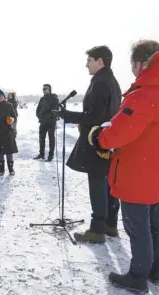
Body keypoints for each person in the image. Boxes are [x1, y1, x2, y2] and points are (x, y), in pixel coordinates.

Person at [88, 40, 159, 294]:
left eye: (133, 65)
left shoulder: (146, 93)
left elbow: (120, 132)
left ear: (140, 63)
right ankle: (156, 269)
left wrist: (98, 137)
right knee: (155, 219)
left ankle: (138, 276)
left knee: (136, 224)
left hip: (137, 173)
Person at [53, 46, 122, 243]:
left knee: (98, 184)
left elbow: (95, 116)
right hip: (107, 140)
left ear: (100, 61)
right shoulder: (112, 81)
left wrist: (68, 116)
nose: (86, 64)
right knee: (108, 184)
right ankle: (110, 224)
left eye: (90, 60)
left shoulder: (100, 82)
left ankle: (97, 229)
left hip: (98, 140)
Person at [34, 84, 60, 161]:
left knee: (51, 139)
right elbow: (38, 109)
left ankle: (50, 155)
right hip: (43, 122)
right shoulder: (42, 99)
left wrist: (49, 116)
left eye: (45, 89)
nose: (44, 90)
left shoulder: (54, 98)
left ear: (49, 89)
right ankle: (41, 154)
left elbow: (56, 110)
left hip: (51, 122)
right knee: (41, 138)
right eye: (43, 89)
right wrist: (39, 116)